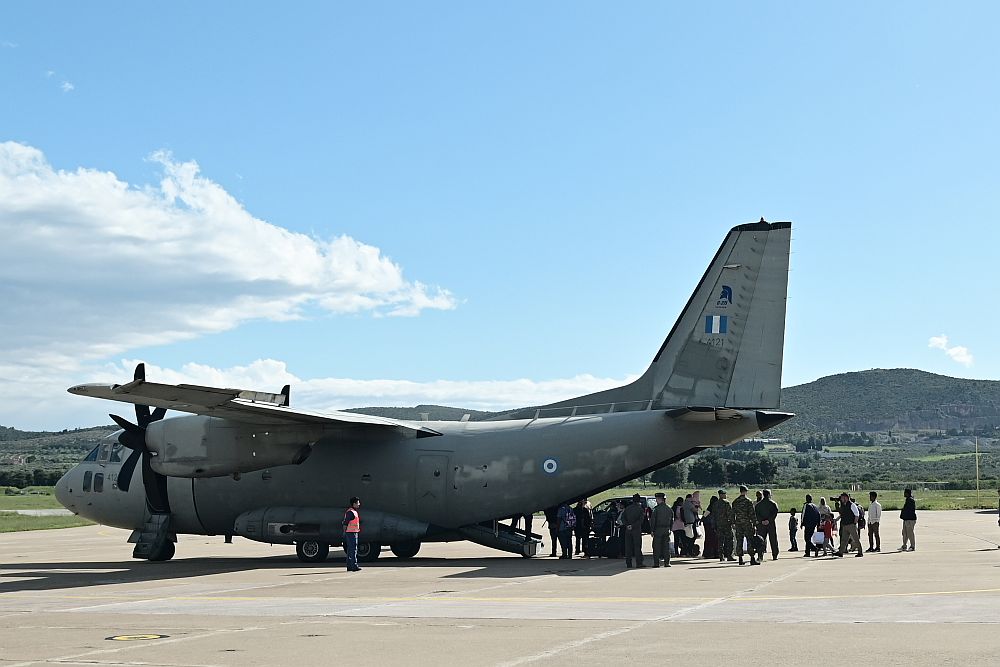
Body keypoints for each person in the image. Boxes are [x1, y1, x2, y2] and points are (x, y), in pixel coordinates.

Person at [732, 485, 759, 565]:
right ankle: (752, 558)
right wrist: (755, 522)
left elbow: (732, 513)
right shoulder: (748, 501)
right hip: (747, 523)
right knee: (749, 540)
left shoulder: (735, 501)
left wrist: (733, 522)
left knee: (739, 540)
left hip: (738, 523)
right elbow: (752, 513)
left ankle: (740, 558)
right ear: (745, 491)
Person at [755, 488, 780, 561]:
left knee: (761, 540)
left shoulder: (758, 505)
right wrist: (769, 520)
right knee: (773, 539)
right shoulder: (773, 504)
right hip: (771, 524)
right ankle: (775, 554)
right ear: (769, 495)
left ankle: (760, 555)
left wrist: (761, 521)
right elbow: (775, 513)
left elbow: (756, 514)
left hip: (761, 525)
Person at [622, 493, 646, 568]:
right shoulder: (640, 509)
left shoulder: (627, 508)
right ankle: (639, 563)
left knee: (628, 547)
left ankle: (628, 563)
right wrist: (633, 526)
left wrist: (627, 525)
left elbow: (623, 518)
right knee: (637, 547)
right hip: (636, 530)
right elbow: (641, 520)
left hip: (628, 530)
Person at [836, 492, 863, 558]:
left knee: (856, 539)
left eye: (842, 498)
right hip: (845, 525)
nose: (841, 499)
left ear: (846, 498)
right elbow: (841, 514)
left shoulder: (851, 505)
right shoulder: (843, 505)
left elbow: (857, 514)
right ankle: (840, 552)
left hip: (851, 525)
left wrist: (854, 523)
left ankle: (860, 552)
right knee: (844, 540)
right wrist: (836, 520)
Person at [650, 492, 672, 567]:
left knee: (656, 547)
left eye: (656, 499)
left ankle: (656, 563)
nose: (656, 501)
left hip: (658, 529)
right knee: (666, 547)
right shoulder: (669, 508)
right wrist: (670, 529)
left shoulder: (656, 509)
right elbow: (672, 520)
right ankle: (667, 562)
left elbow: (653, 520)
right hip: (667, 529)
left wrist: (652, 530)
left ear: (659, 499)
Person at [715, 489, 735, 562]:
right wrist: (732, 523)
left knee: (720, 541)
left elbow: (714, 515)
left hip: (719, 524)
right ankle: (729, 555)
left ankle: (721, 556)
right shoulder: (726, 503)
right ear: (722, 495)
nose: (726, 495)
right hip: (726, 524)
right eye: (725, 494)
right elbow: (730, 514)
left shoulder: (715, 504)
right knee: (730, 540)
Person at [343, 496, 362, 572]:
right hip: (351, 533)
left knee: (351, 549)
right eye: (358, 503)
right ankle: (353, 565)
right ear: (354, 504)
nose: (359, 504)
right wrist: (344, 532)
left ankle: (350, 566)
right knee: (353, 549)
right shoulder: (351, 512)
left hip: (353, 532)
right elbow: (345, 523)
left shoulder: (354, 511)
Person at [702, 495, 719, 559]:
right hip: (713, 525)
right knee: (715, 539)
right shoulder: (716, 507)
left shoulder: (710, 506)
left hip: (708, 525)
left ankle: (708, 553)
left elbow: (705, 516)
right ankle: (715, 553)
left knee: (708, 539)